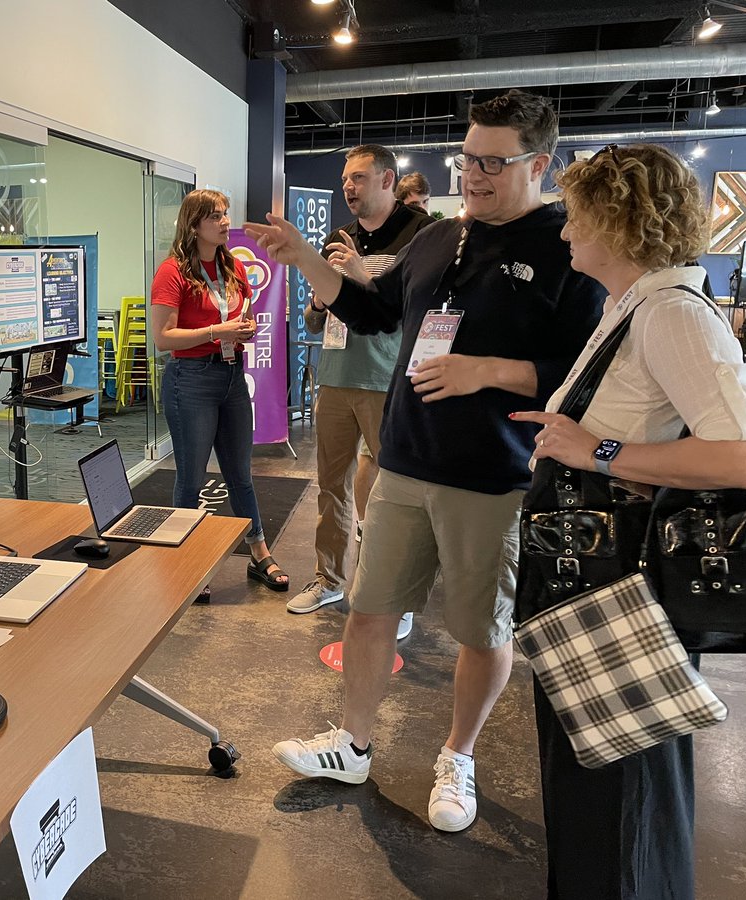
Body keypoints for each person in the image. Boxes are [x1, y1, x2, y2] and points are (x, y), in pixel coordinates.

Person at [245, 90, 604, 832]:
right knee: (370, 610)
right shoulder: (439, 237)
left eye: (492, 163)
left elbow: (587, 370)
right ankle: (354, 743)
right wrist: (307, 259)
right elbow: (373, 310)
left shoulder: (570, 245)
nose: (472, 174)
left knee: (482, 630)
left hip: (494, 476)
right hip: (406, 464)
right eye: (466, 158)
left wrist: (490, 371)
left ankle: (459, 756)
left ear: (539, 164)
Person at [510, 143, 746, 899]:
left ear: (619, 222)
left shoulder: (674, 315)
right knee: (596, 782)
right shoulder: (638, 308)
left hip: (620, 592)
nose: (564, 234)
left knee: (620, 795)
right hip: (594, 591)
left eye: (577, 216)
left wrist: (599, 449)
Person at [288, 144, 432, 619]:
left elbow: (418, 315)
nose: (349, 187)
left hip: (387, 381)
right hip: (335, 377)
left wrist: (360, 278)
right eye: (346, 178)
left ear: (389, 180)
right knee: (331, 487)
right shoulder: (336, 236)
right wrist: (319, 302)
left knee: (395, 496)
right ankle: (328, 579)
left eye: (360, 178)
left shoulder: (421, 234)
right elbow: (312, 322)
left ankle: (399, 600)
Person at [150, 189, 289, 593]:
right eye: (216, 216)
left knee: (240, 474)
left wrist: (242, 330)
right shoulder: (172, 271)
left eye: (226, 214)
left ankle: (259, 553)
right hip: (190, 379)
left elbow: (240, 317)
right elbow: (162, 338)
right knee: (191, 478)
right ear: (194, 225)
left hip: (230, 375)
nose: (226, 222)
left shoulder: (232, 269)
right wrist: (217, 331)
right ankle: (187, 561)